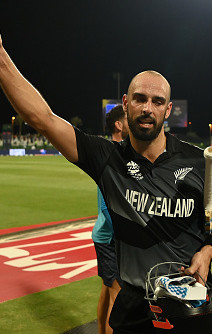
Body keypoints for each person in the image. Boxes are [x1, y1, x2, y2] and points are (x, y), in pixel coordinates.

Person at [0, 8, 212, 334]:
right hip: (134, 308)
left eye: (156, 101)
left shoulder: (197, 161)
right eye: (139, 99)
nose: (147, 108)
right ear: (125, 103)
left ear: (168, 109)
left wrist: (209, 250)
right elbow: (44, 119)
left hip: (190, 306)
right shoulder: (106, 157)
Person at [94, 104, 128, 334]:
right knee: (118, 295)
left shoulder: (119, 153)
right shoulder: (111, 155)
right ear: (118, 124)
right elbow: (107, 205)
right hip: (110, 237)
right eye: (128, 118)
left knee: (108, 290)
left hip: (104, 234)